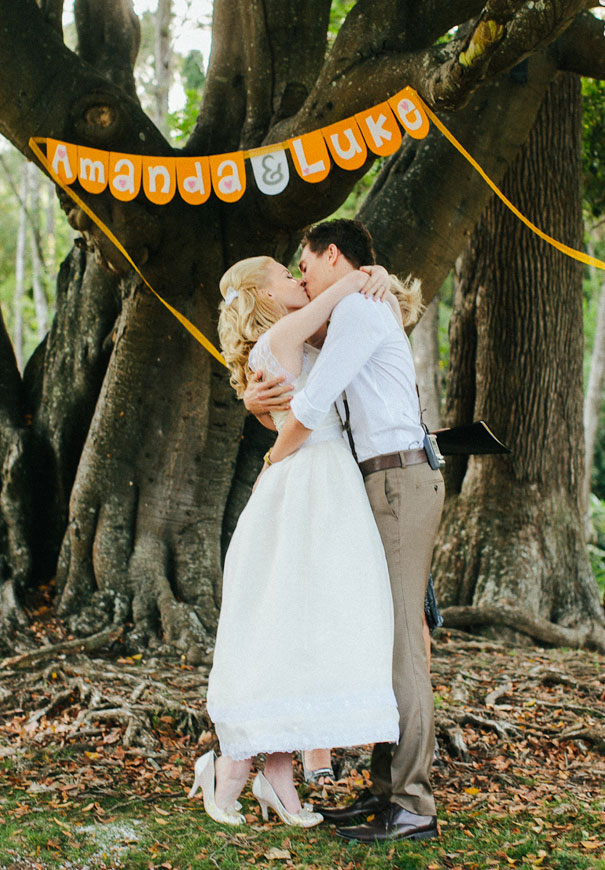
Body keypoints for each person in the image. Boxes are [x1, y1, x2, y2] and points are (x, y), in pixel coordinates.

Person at [251, 219, 445, 843]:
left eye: (305, 265)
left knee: (402, 644)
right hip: (383, 482)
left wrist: (272, 460)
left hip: (398, 481)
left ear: (331, 254)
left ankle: (411, 802)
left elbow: (312, 408)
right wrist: (257, 400)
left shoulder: (360, 311)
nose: (302, 277)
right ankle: (387, 790)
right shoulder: (356, 304)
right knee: (386, 638)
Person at [190, 254, 400, 828]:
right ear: (264, 295)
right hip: (305, 483)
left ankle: (277, 778)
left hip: (325, 481)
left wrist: (378, 280)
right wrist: (360, 276)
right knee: (283, 623)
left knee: (302, 625)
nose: (298, 278)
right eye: (286, 274)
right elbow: (336, 298)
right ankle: (232, 768)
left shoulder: (289, 342)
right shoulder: (280, 339)